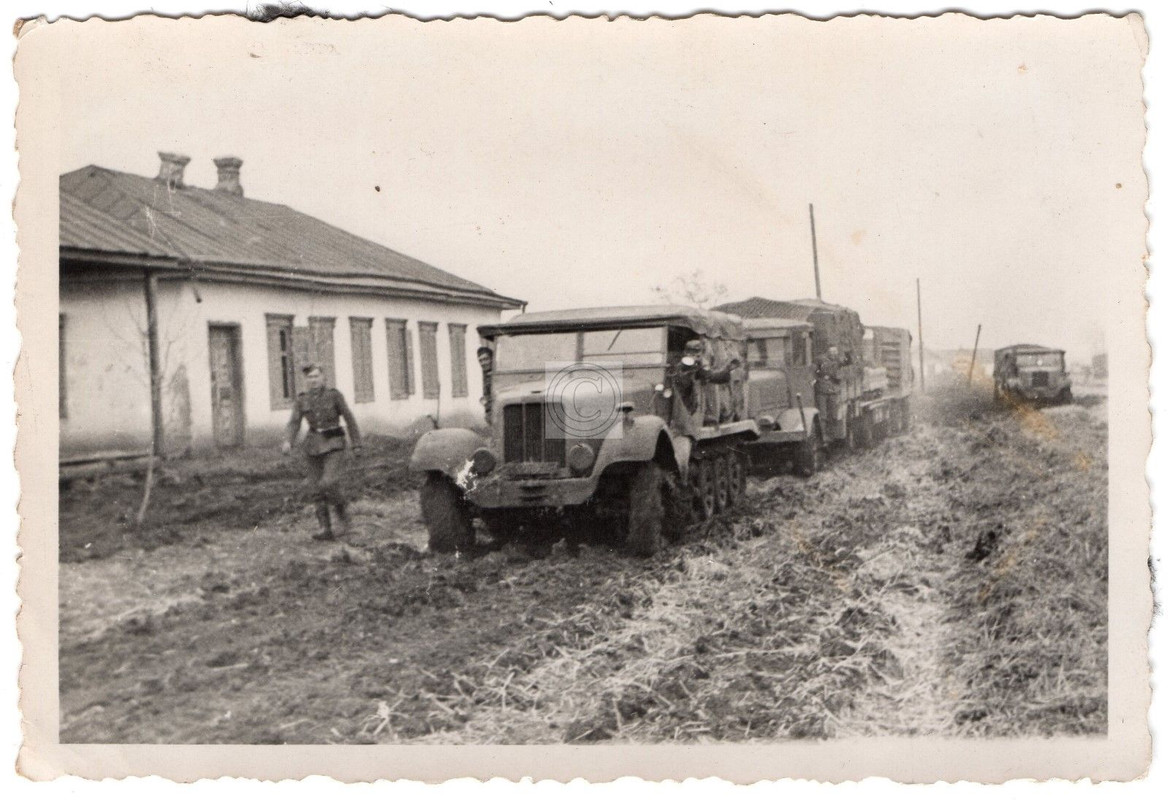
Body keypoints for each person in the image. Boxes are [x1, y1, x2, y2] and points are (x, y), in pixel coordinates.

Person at [282, 364, 363, 541]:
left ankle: (343, 518)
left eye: (316, 376)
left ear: (323, 377)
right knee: (315, 488)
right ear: (306, 380)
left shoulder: (334, 395)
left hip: (334, 444)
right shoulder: (302, 399)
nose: (313, 380)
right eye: (310, 377)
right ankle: (325, 528)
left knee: (329, 482)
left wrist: (356, 444)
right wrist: (288, 441)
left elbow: (349, 419)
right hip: (312, 447)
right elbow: (294, 422)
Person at [477, 345, 495, 423]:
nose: (483, 363)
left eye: (485, 359)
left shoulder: (497, 374)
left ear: (492, 359)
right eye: (480, 360)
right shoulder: (486, 375)